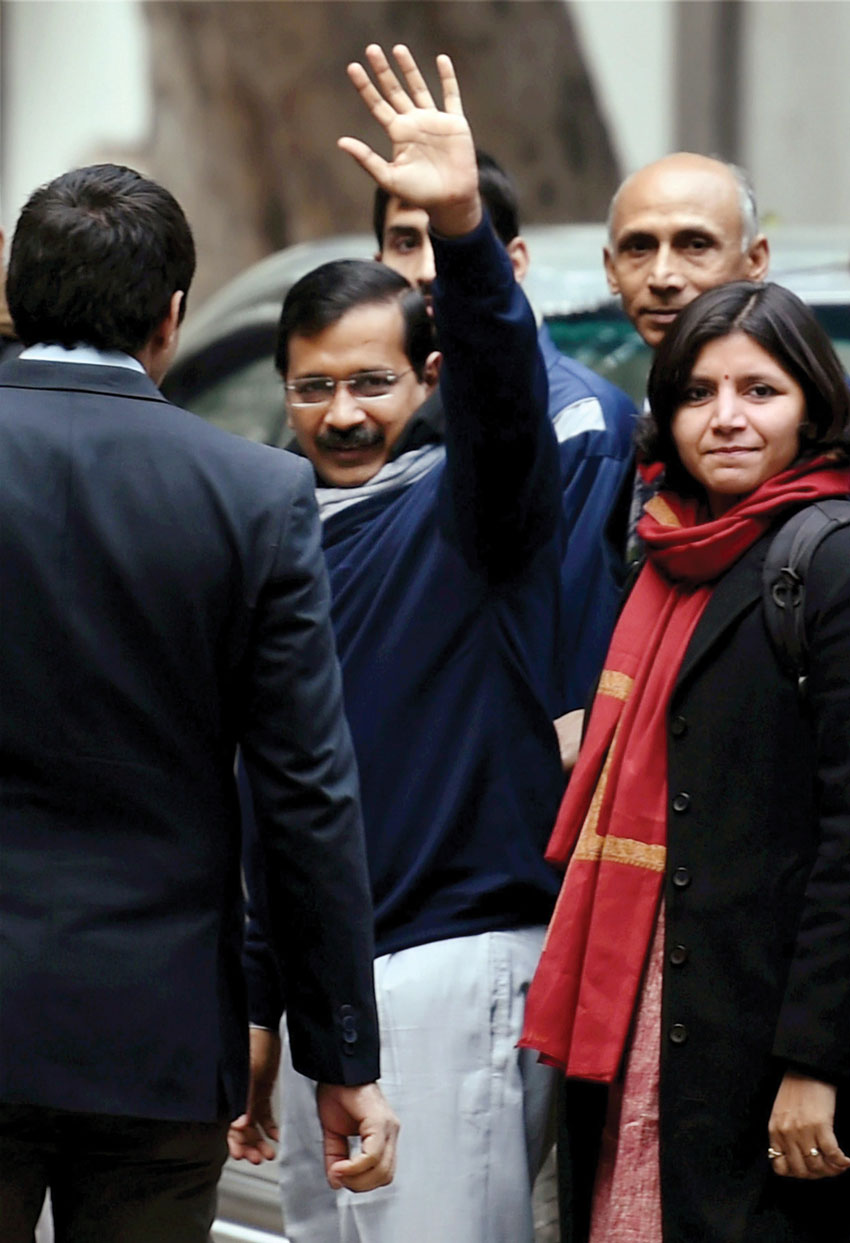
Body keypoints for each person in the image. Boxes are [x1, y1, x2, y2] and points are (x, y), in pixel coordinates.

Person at [0, 163, 397, 1243]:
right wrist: (341, 1055)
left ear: (17, 297)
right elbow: (307, 795)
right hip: (157, 1028)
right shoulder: (255, 493)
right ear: (171, 316)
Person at [230, 44, 565, 1243]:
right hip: (326, 998)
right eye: (314, 389)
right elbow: (272, 789)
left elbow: (506, 393)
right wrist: (263, 996)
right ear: (282, 389)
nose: (344, 415)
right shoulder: (271, 533)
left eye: (372, 383)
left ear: (426, 380)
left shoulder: (471, 511)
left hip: (449, 962)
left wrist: (461, 229)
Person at [521, 278, 850, 1242]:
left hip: (765, 1045)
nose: (728, 417)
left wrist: (817, 1062)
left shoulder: (827, 560)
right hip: (650, 1026)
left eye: (760, 390)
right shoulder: (664, 553)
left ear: (812, 408)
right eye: (699, 393)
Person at [375, 150, 637, 743]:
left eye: (446, 242)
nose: (427, 269)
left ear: (511, 261)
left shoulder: (577, 421)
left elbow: (570, 639)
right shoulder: (379, 409)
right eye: (405, 243)